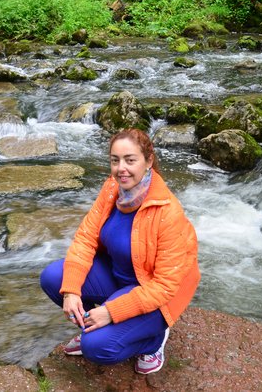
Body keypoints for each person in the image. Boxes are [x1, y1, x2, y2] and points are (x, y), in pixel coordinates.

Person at [40, 128, 200, 374]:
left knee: (96, 348)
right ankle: (94, 325)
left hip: (154, 294)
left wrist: (111, 312)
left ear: (148, 161)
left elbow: (165, 286)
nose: (121, 168)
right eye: (115, 160)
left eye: (130, 160)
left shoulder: (168, 213)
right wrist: (71, 290)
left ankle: (153, 341)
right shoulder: (112, 189)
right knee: (53, 278)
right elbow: (85, 238)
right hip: (118, 277)